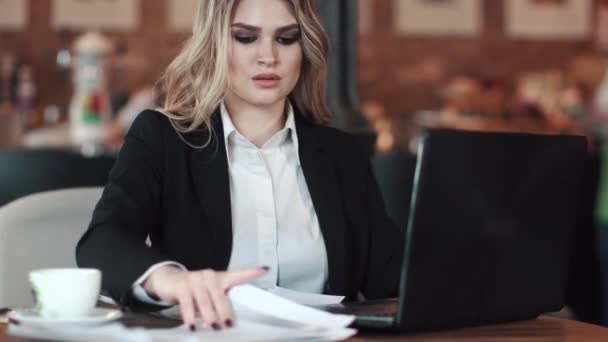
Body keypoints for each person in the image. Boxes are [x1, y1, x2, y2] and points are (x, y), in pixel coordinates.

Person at [76, 0, 403, 332]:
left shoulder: (341, 154)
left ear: (304, 48)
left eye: (286, 38)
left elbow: (391, 282)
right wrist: (167, 279)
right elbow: (102, 241)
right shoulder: (162, 139)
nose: (268, 57)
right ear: (215, 44)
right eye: (246, 38)